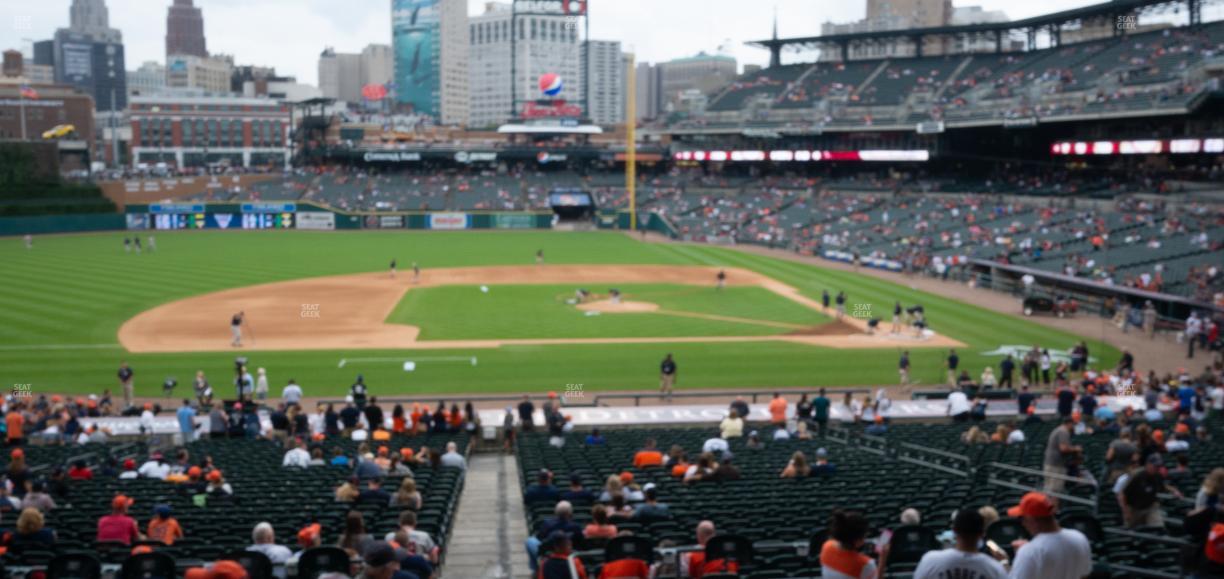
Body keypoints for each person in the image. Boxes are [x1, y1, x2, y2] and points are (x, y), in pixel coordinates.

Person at [1007, 492, 1092, 579]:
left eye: (1023, 518)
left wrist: (1006, 562)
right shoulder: (1080, 538)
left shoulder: (1030, 552)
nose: (1023, 524)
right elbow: (1084, 575)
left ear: (1031, 519)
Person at [912, 508, 1006, 579]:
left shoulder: (930, 560)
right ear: (982, 533)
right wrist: (1004, 562)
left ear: (954, 530)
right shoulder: (994, 568)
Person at [1119, 454, 1183, 528]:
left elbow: (1163, 487)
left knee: (1158, 528)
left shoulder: (1157, 475)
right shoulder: (1136, 475)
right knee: (1131, 531)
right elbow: (1122, 494)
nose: (1157, 468)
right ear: (1148, 464)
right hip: (1134, 508)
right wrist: (1125, 512)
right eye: (1155, 466)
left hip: (1150, 506)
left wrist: (1174, 491)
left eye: (1158, 466)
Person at [820, 510, 886, 579]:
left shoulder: (826, 546)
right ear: (857, 541)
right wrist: (883, 559)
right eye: (864, 536)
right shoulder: (866, 564)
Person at [1043, 417, 1080, 493]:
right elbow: (1063, 449)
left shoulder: (1059, 430)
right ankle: (1054, 505)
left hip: (1052, 464)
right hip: (1056, 466)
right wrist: (1076, 448)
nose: (1074, 427)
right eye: (1074, 424)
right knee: (1055, 492)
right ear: (1069, 423)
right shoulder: (1063, 431)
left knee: (1049, 490)